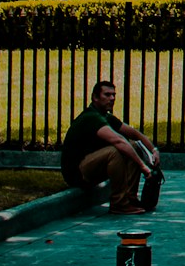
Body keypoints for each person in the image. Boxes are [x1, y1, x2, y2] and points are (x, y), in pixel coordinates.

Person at [60, 80, 159, 215]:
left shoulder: (105, 116)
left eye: (114, 95)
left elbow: (134, 134)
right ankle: (119, 204)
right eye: (107, 95)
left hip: (91, 165)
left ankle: (130, 198)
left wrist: (154, 150)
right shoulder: (91, 118)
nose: (112, 98)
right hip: (77, 173)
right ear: (95, 97)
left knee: (133, 146)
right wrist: (144, 167)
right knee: (116, 151)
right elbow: (118, 141)